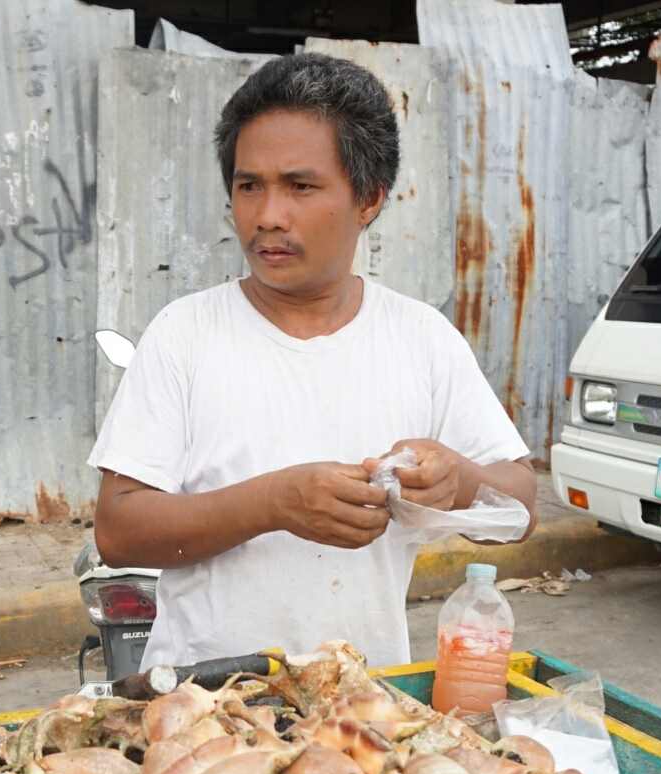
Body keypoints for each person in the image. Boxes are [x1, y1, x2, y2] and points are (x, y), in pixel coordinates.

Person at [88, 53, 537, 669]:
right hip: (203, 705)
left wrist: (460, 481)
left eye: (300, 186)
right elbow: (117, 531)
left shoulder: (422, 339)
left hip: (364, 710)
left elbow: (521, 507)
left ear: (369, 198)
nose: (268, 215)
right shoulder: (186, 334)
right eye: (249, 186)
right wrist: (274, 503)